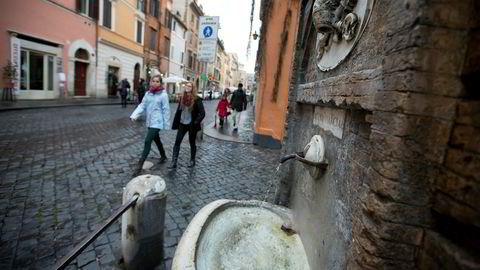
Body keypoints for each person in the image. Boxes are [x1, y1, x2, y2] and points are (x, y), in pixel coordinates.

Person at [130, 75, 170, 177]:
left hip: (158, 122)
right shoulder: (148, 94)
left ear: (160, 83)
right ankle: (163, 155)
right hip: (150, 122)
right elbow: (142, 106)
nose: (155, 83)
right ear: (151, 82)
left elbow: (166, 110)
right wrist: (134, 115)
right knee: (157, 140)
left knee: (148, 141)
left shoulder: (163, 95)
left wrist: (166, 124)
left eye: (157, 81)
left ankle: (139, 166)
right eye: (154, 81)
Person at [168, 83, 205, 169]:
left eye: (189, 86)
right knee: (177, 141)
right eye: (186, 86)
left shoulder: (197, 99)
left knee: (192, 143)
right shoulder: (182, 98)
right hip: (182, 123)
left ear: (192, 88)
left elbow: (202, 113)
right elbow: (179, 110)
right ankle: (174, 162)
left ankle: (192, 160)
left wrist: (196, 122)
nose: (187, 87)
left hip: (191, 125)